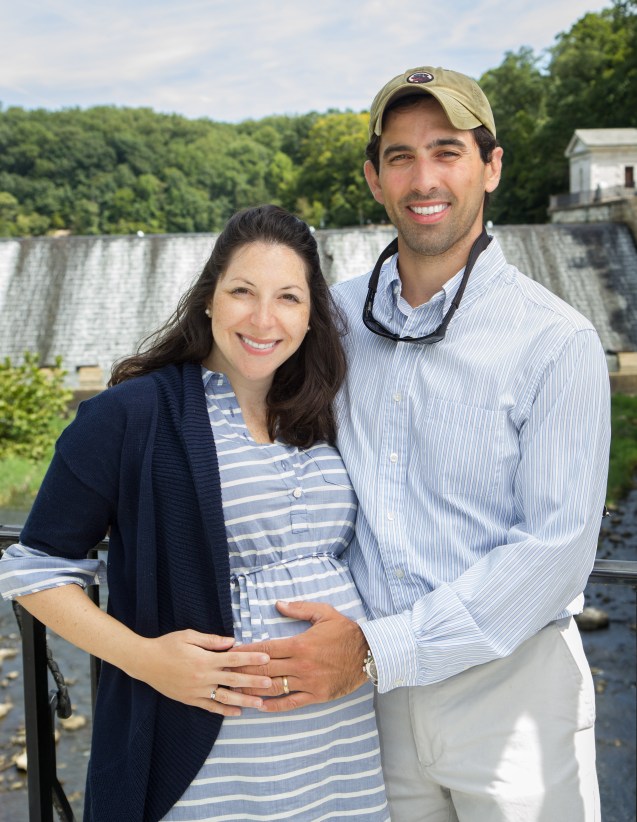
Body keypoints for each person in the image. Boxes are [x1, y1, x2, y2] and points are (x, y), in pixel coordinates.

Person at [236, 68, 611, 820]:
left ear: (491, 167)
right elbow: (224, 397)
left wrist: (376, 649)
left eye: (447, 151)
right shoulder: (328, 320)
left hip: (512, 702)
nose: (424, 178)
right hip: (365, 710)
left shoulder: (556, 341)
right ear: (374, 179)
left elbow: (555, 551)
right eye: (400, 157)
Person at [0, 205, 389, 821]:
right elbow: (33, 570)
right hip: (210, 755)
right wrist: (147, 660)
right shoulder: (131, 415)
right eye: (242, 292)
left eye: (288, 298)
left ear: (311, 314)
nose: (263, 319)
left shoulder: (324, 412)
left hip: (340, 747)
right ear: (209, 298)